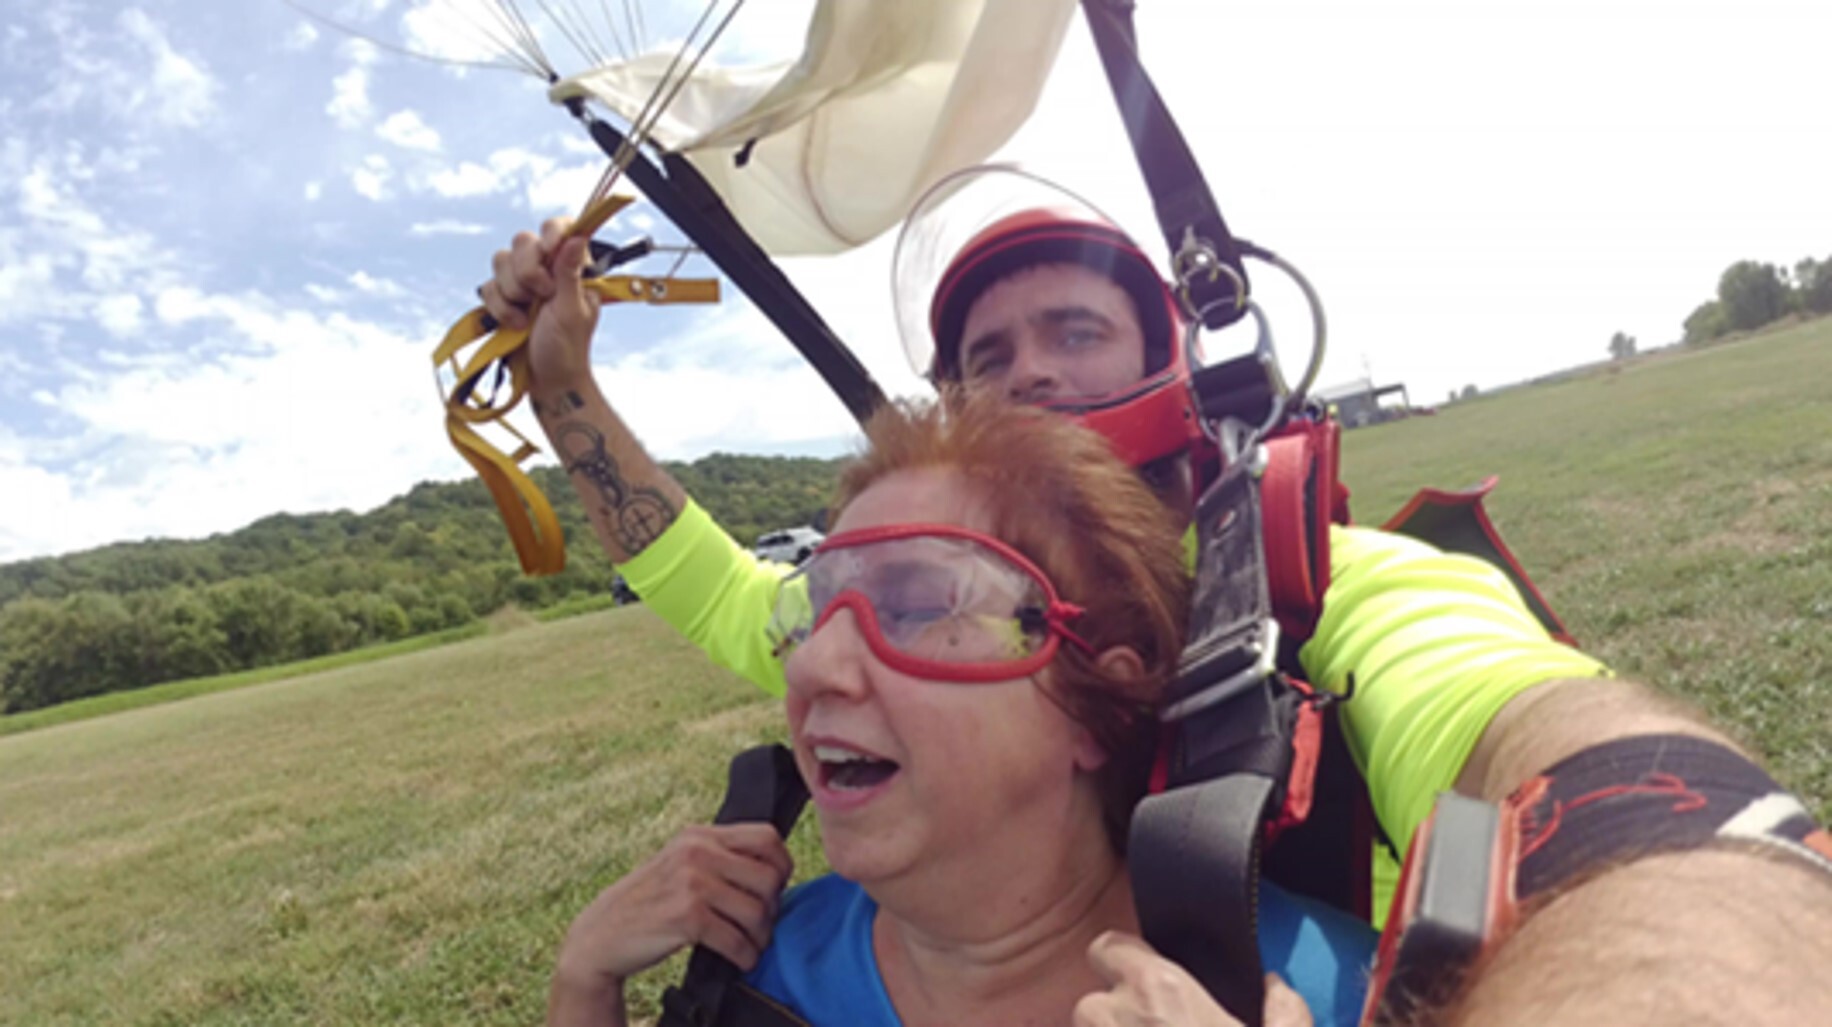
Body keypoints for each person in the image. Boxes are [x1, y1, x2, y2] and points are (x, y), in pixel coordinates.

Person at [482, 180, 1832, 1019]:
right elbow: (720, 584)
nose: (1028, 374)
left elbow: (1543, 744)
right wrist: (562, 389)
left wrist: (1697, 895)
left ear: (1163, 366)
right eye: (986, 358)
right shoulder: (901, 615)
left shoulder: (1324, 591)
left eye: (1073, 331)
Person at [545, 397, 1372, 1026]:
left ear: (1095, 708)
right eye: (817, 611)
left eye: (917, 605)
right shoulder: (757, 960)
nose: (813, 665)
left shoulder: (1341, 993)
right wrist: (584, 982)